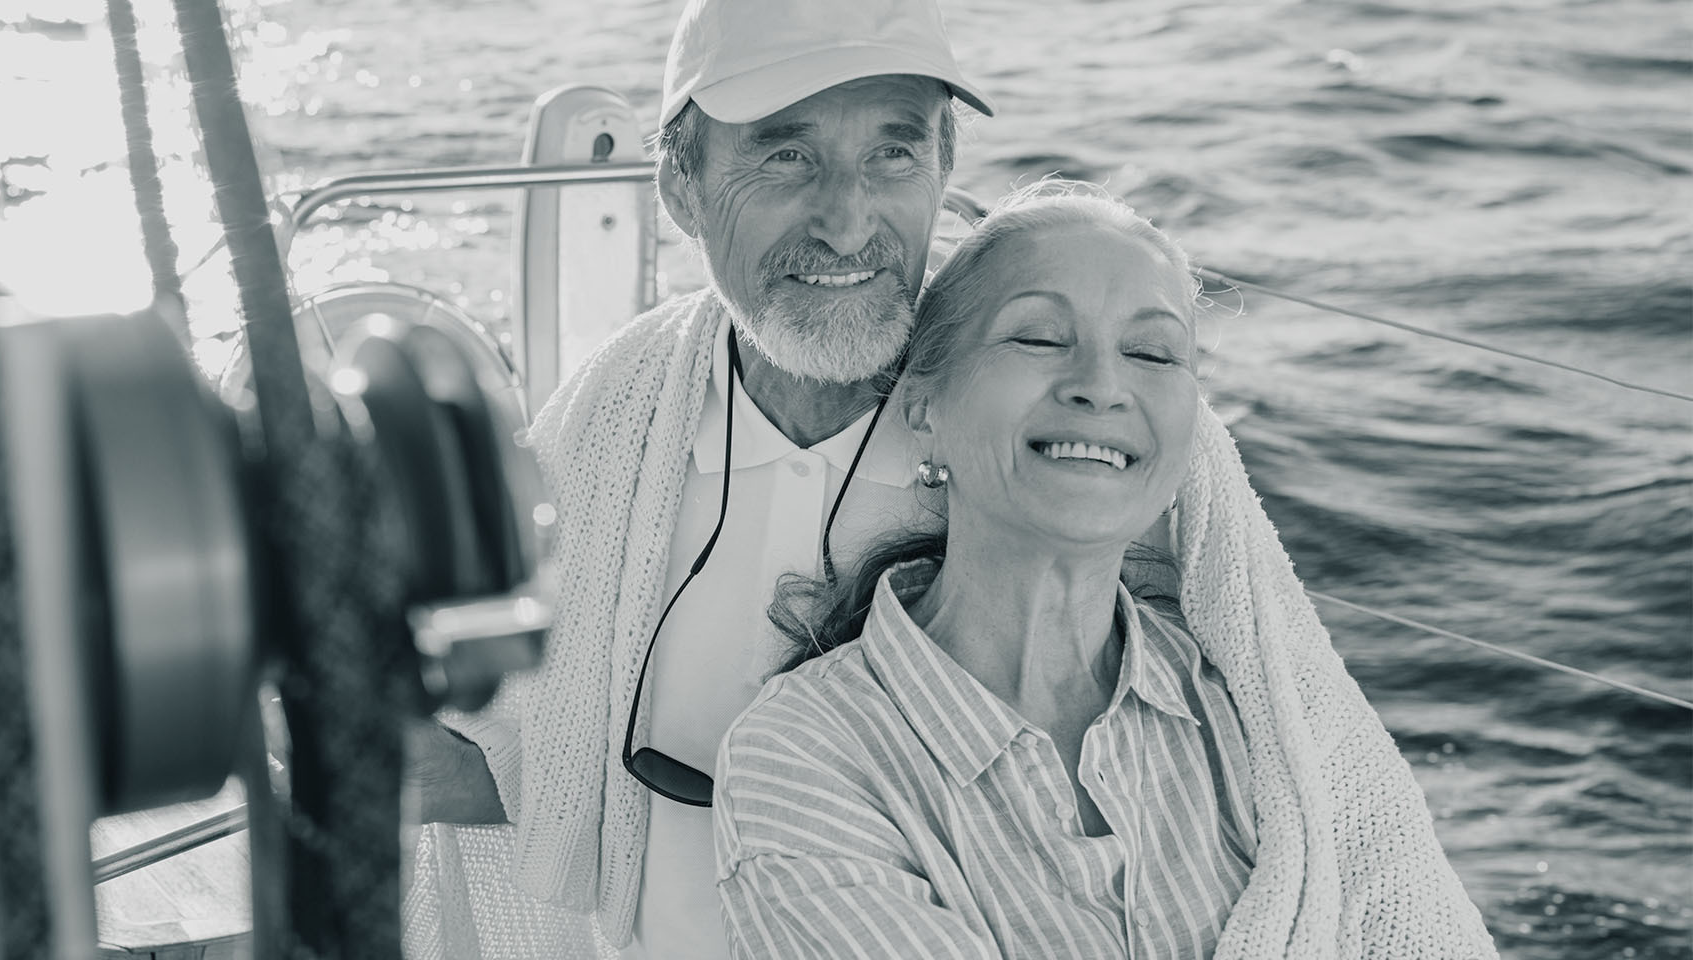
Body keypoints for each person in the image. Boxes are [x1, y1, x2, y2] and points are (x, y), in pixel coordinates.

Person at [712, 182, 1499, 959]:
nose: (1101, 385)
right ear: (924, 405)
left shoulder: (1258, 717)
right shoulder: (804, 756)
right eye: (1041, 338)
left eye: (1152, 352)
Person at [400, 0, 996, 957]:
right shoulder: (616, 413)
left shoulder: (1038, 413)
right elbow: (522, 763)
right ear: (680, 184)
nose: (847, 225)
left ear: (945, 167)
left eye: (894, 151)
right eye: (785, 155)